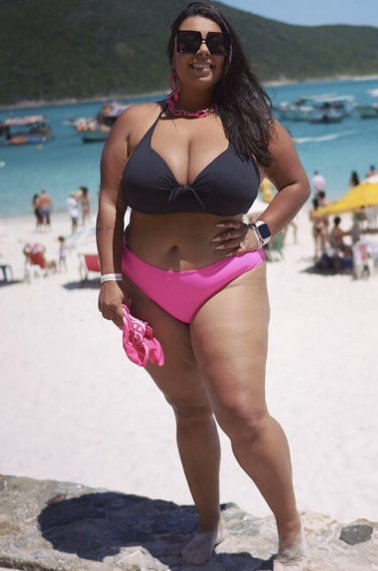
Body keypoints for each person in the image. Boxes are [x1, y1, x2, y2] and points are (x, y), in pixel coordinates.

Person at [96, 2, 310, 569]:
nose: (202, 51)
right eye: (189, 41)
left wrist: (260, 231)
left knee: (242, 413)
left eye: (215, 43)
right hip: (146, 284)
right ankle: (208, 522)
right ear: (173, 51)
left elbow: (295, 184)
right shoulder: (136, 122)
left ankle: (290, 529)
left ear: (228, 54)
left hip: (226, 282)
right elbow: (111, 204)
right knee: (189, 410)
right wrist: (110, 278)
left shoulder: (252, 123)